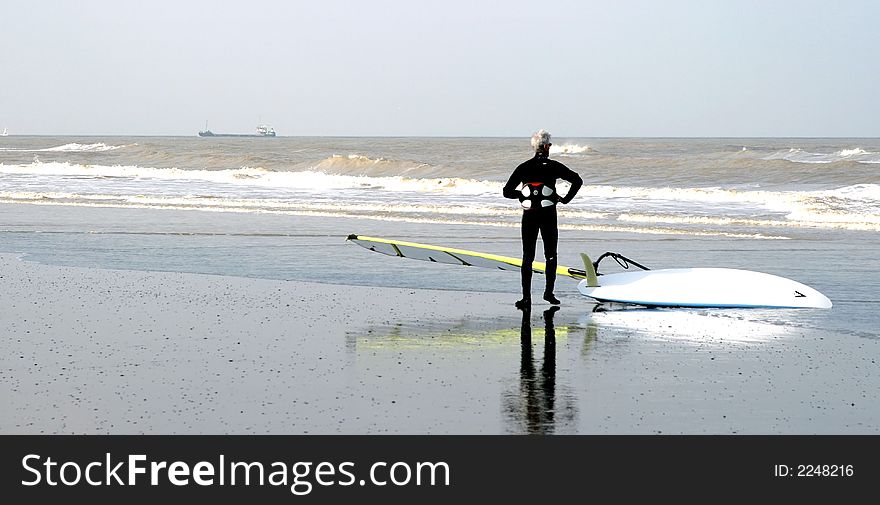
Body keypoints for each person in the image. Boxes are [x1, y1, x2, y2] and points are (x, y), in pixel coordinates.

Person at [503, 129, 582, 310]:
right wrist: (565, 199)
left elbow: (506, 192)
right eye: (550, 145)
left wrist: (523, 195)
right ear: (546, 146)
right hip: (548, 215)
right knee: (551, 255)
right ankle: (549, 293)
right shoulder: (554, 166)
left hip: (529, 216)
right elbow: (577, 180)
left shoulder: (523, 167)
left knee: (527, 257)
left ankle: (526, 298)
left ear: (534, 147)